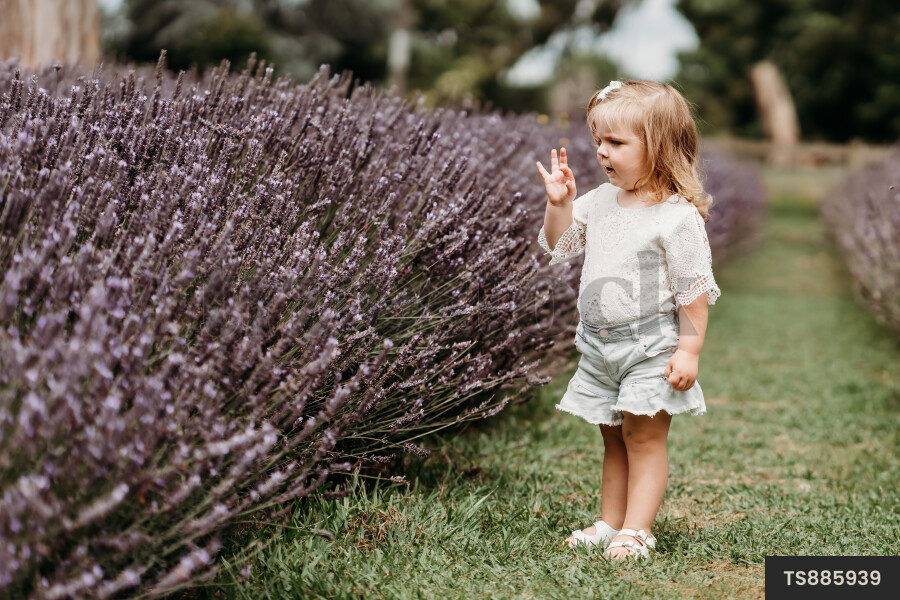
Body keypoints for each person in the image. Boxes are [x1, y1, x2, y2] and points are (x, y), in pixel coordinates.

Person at [535, 80, 721, 561]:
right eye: (598, 139)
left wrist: (689, 349)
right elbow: (560, 246)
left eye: (616, 142)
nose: (601, 151)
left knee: (643, 438)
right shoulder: (598, 201)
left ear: (658, 147)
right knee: (613, 437)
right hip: (598, 346)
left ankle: (637, 530)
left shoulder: (676, 218)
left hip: (651, 348)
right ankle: (609, 522)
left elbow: (693, 291)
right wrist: (558, 206)